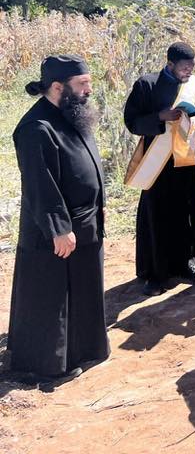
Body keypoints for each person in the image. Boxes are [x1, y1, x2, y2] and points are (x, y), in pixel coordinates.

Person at [7, 55, 109, 388]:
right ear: (56, 87)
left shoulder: (69, 114)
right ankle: (47, 365)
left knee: (81, 290)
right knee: (53, 298)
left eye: (88, 83)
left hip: (85, 224)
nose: (88, 90)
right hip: (56, 232)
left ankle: (83, 350)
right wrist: (59, 228)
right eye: (82, 84)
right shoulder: (36, 128)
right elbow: (40, 184)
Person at [123, 42, 195, 296]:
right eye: (184, 67)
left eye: (192, 67)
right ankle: (156, 273)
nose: (189, 72)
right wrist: (160, 117)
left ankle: (189, 264)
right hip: (159, 164)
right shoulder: (147, 84)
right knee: (158, 216)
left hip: (187, 161)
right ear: (170, 63)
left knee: (189, 212)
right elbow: (132, 121)